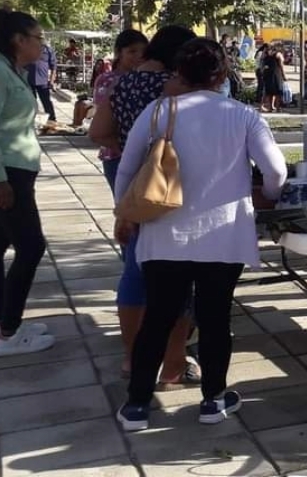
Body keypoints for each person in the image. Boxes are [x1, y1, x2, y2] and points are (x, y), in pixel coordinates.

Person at [115, 38, 286, 432]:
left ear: (179, 73)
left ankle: (137, 405)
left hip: (163, 235)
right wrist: (271, 198)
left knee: (157, 317)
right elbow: (275, 172)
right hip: (223, 236)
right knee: (214, 318)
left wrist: (125, 213)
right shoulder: (243, 115)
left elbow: (126, 170)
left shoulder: (159, 111)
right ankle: (213, 399)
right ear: (223, 74)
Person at [91, 25, 198, 383]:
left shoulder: (120, 81)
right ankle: (173, 360)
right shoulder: (174, 87)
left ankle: (131, 357)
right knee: (178, 271)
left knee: (136, 266)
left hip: (134, 179)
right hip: (171, 182)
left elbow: (97, 132)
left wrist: (130, 150)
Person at [0, 11, 55, 356]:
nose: (41, 44)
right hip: (3, 175)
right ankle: (10, 331)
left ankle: (1, 322)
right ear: (18, 39)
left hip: (14, 172)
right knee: (31, 247)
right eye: (38, 37)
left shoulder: (11, 72)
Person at [90, 30, 149, 189]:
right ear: (119, 53)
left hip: (145, 155)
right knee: (124, 207)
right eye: (132, 51)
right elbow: (102, 119)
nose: (139, 56)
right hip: (116, 154)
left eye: (143, 51)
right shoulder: (107, 80)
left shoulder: (149, 79)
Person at [26, 37, 58, 124]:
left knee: (46, 101)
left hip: (43, 81)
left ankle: (52, 120)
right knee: (30, 102)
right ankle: (30, 121)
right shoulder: (27, 49)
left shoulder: (48, 50)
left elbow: (53, 66)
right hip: (29, 80)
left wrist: (51, 81)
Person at [258, 44, 285, 113]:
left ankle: (270, 107)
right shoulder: (278, 55)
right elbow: (281, 65)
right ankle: (277, 108)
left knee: (270, 92)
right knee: (277, 92)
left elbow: (263, 65)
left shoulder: (266, 56)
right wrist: (284, 75)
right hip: (276, 74)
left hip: (268, 75)